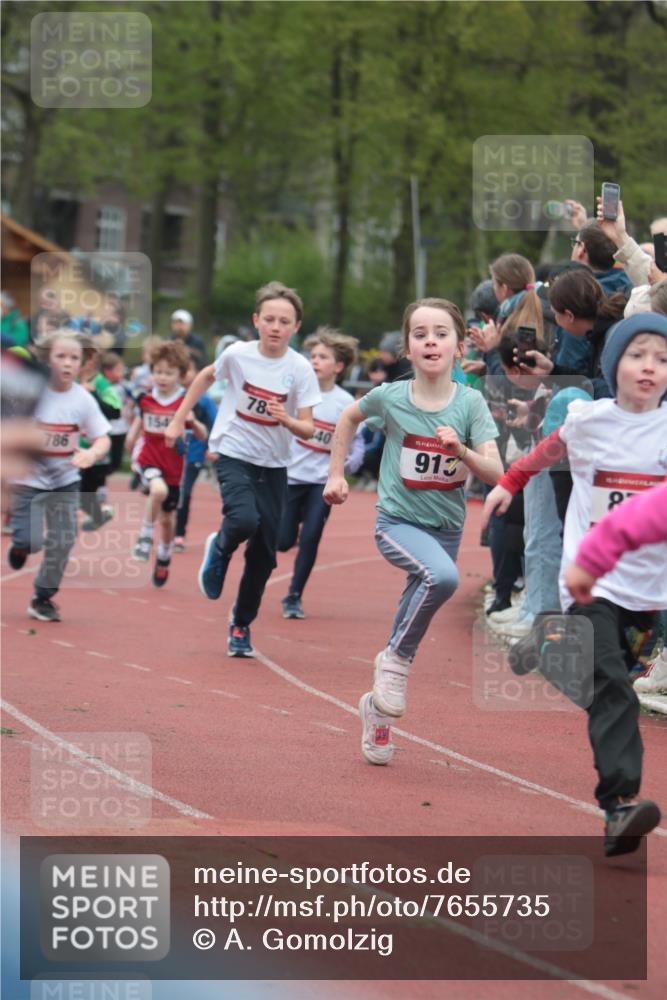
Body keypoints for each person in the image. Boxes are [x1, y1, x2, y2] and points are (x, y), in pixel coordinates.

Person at [482, 312, 667, 856]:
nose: (650, 367)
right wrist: (509, 483)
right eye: (638, 355)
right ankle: (620, 804)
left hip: (650, 592)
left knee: (614, 681)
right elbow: (547, 450)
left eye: (662, 358)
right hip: (591, 583)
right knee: (614, 691)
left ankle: (547, 642)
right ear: (613, 364)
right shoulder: (590, 420)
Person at [324, 298, 503, 765]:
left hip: (445, 529)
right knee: (441, 579)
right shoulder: (390, 397)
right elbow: (348, 417)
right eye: (420, 333)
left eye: (441, 332)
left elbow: (497, 473)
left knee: (415, 602)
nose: (430, 340)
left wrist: (461, 450)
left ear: (459, 346)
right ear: (407, 347)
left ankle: (376, 713)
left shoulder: (470, 403)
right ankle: (398, 663)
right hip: (397, 523)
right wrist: (335, 474)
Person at [164, 281, 320, 657]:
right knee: (243, 520)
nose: (275, 327)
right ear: (256, 321)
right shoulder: (238, 355)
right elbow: (204, 376)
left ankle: (241, 623)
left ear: (296, 327)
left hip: (276, 465)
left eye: (284, 321)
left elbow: (309, 427)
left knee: (265, 555)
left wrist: (286, 420)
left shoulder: (300, 369)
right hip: (234, 452)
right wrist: (177, 420)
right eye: (269, 319)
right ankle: (220, 547)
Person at [7, 330, 111, 622]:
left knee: (64, 539)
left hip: (65, 481)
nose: (67, 363)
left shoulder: (83, 400)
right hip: (27, 482)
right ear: (46, 359)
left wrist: (92, 453)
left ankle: (42, 596)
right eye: (60, 356)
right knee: (32, 541)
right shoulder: (30, 392)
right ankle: (20, 545)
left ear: (83, 363)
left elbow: (103, 437)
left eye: (74, 358)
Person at [278, 327, 363, 619]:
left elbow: (358, 440)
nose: (315, 361)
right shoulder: (297, 394)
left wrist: (349, 464)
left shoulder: (345, 403)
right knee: (284, 541)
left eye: (323, 357)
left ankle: (294, 596)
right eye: (312, 355)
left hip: (321, 482)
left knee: (312, 536)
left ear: (338, 366)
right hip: (290, 477)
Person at [125, 341, 206, 587]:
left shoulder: (186, 402)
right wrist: (131, 439)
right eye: (158, 371)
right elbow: (139, 423)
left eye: (169, 373)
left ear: (181, 376)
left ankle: (164, 555)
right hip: (149, 458)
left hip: (174, 466)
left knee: (168, 519)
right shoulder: (146, 399)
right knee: (157, 490)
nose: (162, 377)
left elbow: (203, 436)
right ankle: (144, 538)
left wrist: (193, 422)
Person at [173, 353, 217, 551]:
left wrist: (211, 447)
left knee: (186, 491)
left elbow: (215, 425)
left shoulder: (205, 401)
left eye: (187, 369)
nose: (183, 374)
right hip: (171, 454)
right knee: (169, 494)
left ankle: (179, 535)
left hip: (194, 455)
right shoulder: (172, 397)